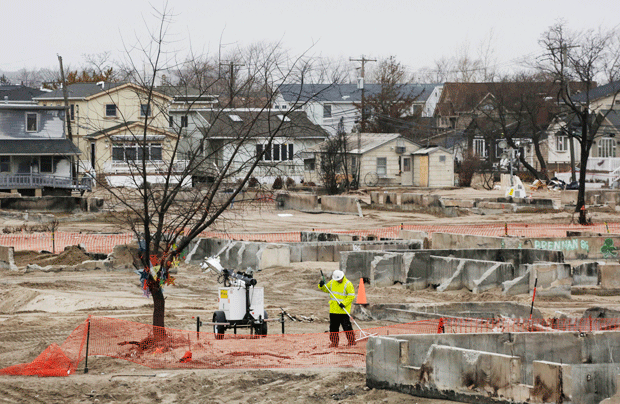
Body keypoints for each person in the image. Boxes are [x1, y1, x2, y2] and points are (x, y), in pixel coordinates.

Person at [318, 270, 356, 347]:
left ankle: (351, 342)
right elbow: (326, 289)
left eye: (340, 279)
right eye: (338, 279)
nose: (339, 280)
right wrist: (321, 285)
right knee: (333, 328)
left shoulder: (348, 284)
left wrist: (344, 303)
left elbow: (351, 296)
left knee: (347, 327)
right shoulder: (332, 282)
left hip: (343, 311)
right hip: (333, 310)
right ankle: (334, 343)